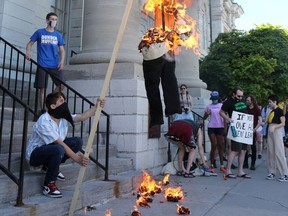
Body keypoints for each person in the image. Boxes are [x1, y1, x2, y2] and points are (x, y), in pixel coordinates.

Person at [26, 92, 105, 198]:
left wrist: (96, 107)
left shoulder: (62, 117)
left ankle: (48, 166)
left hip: (52, 149)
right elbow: (60, 143)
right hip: (35, 155)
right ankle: (48, 185)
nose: (65, 103)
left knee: (77, 142)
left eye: (65, 100)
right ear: (53, 106)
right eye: (61, 101)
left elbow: (81, 117)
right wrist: (77, 159)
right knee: (59, 149)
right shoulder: (44, 121)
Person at [26, 12, 66, 113]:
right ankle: (43, 110)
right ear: (47, 20)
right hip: (42, 64)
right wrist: (28, 53)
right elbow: (30, 44)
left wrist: (62, 61)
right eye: (52, 19)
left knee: (61, 86)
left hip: (55, 64)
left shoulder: (58, 35)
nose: (54, 21)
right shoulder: (39, 32)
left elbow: (62, 50)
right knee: (42, 88)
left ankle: (50, 99)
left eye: (56, 19)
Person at [220, 86, 251, 179]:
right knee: (234, 149)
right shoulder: (228, 102)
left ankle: (240, 171)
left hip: (244, 128)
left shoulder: (242, 100)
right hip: (235, 128)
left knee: (243, 150)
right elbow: (221, 112)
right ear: (233, 94)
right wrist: (227, 118)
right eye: (238, 96)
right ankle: (228, 170)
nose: (240, 98)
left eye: (242, 96)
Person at [265, 95, 288, 182]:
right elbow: (266, 121)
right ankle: (272, 171)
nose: (269, 103)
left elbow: (283, 123)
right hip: (270, 130)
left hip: (276, 130)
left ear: (275, 101)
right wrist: (269, 111)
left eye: (270, 102)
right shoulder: (271, 111)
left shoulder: (279, 110)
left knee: (279, 152)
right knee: (271, 152)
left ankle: (285, 173)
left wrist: (275, 127)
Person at [203, 91, 226, 173]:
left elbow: (225, 117)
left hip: (220, 126)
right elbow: (204, 118)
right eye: (213, 99)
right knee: (214, 145)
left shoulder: (221, 106)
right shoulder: (208, 106)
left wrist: (225, 128)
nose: (214, 100)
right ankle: (212, 165)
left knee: (220, 145)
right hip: (211, 127)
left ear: (218, 99)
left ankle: (222, 165)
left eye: (215, 99)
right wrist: (207, 114)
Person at [243, 95, 262, 170]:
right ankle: (245, 163)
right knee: (244, 146)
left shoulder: (257, 109)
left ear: (252, 101)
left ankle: (253, 163)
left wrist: (255, 129)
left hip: (252, 130)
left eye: (248, 100)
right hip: (245, 129)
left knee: (253, 146)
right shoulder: (245, 108)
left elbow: (260, 121)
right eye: (246, 100)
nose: (246, 101)